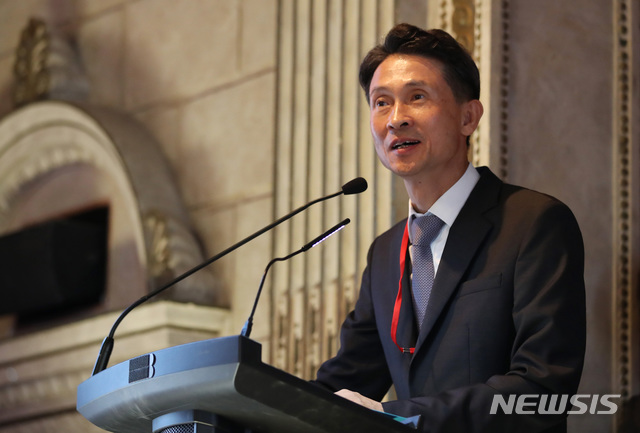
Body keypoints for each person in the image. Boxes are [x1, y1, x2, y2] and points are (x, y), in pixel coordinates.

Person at [313, 23, 586, 433]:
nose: (396, 119)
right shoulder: (386, 252)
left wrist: (396, 417)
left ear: (467, 117)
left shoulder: (533, 222)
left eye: (417, 97)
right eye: (381, 102)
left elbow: (543, 388)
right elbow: (343, 384)